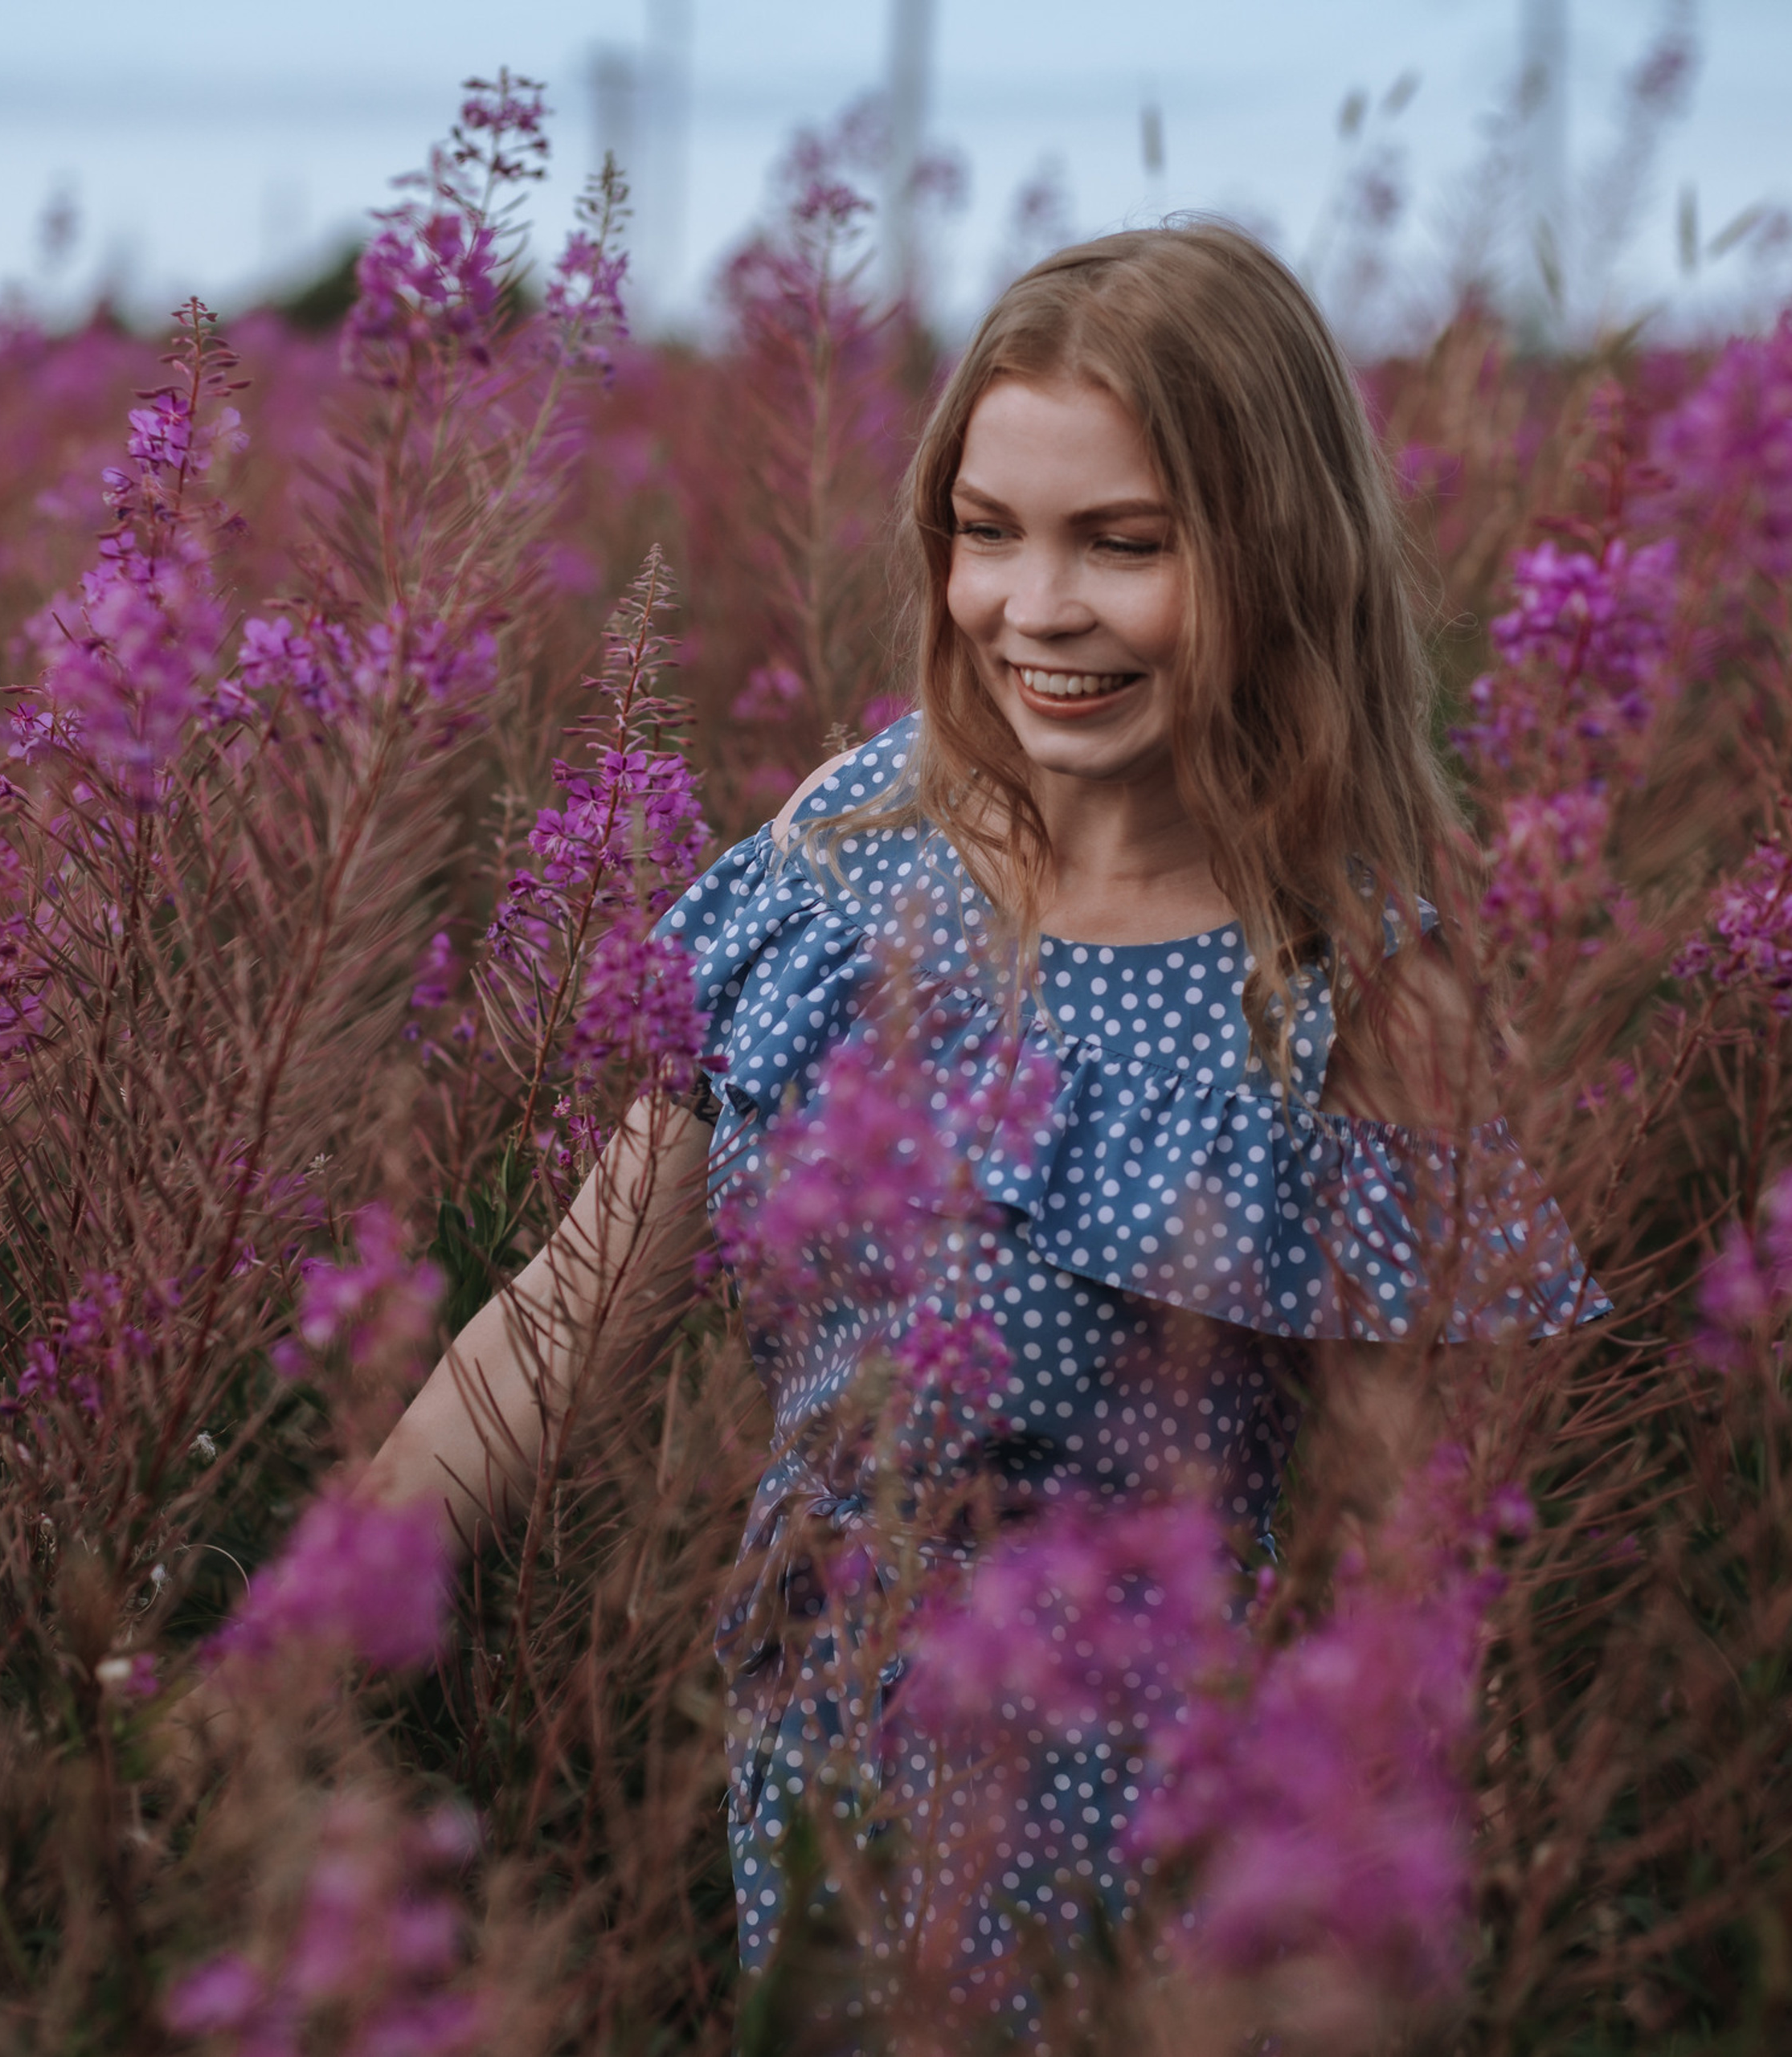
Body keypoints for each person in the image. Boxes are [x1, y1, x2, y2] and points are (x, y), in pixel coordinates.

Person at [363, 222, 1604, 2033]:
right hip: (820, 1821)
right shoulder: (848, 849)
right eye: (987, 529)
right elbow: (567, 1313)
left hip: (1154, 1903)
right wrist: (319, 1610)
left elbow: (1401, 1581)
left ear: (1278, 550)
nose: (1035, 607)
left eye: (1126, 541)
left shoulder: (1359, 994)